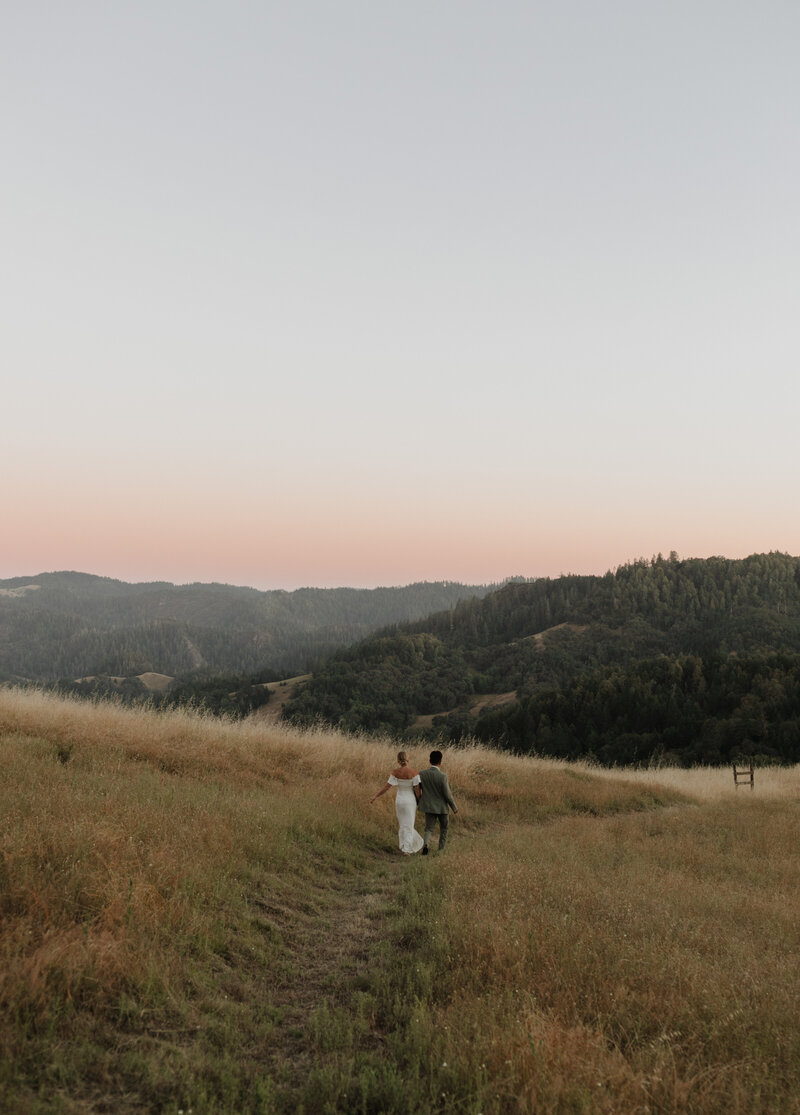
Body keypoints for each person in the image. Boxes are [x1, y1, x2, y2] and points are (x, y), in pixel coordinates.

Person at [370, 750, 424, 855]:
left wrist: (375, 796)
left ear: (398, 760)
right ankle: (407, 849)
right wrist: (421, 801)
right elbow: (417, 791)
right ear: (407, 759)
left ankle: (404, 846)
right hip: (410, 801)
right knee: (409, 824)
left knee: (403, 824)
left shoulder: (395, 772)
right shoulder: (414, 773)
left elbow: (386, 787)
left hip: (399, 800)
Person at [418, 749, 458, 854]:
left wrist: (419, 801)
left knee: (428, 828)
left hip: (429, 806)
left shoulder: (422, 774)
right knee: (444, 828)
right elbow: (447, 794)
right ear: (440, 761)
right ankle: (441, 850)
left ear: (429, 761)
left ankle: (426, 844)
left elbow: (418, 788)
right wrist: (454, 807)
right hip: (442, 808)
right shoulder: (443, 776)